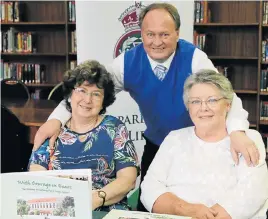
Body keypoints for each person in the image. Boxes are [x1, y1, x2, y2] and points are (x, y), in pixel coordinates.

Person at [32, 3, 259, 211]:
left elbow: (225, 95)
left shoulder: (195, 58)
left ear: (177, 34)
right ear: (141, 34)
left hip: (195, 142)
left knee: (201, 195)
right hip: (157, 144)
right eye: (150, 34)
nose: (157, 41)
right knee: (148, 205)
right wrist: (56, 119)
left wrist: (238, 131)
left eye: (164, 35)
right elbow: (89, 87)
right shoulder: (126, 62)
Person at [141, 70, 268, 219]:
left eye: (212, 100)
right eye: (195, 101)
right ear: (188, 106)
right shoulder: (174, 139)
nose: (203, 108)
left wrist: (206, 217)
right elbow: (150, 188)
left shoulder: (248, 139)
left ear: (228, 105)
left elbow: (252, 194)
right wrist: (188, 210)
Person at [28, 60, 139, 212]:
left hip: (105, 209)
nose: (88, 100)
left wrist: (96, 199)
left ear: (104, 101)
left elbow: (128, 179)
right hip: (58, 210)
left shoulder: (115, 128)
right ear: (69, 94)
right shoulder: (53, 130)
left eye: (96, 94)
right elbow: (35, 174)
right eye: (82, 91)